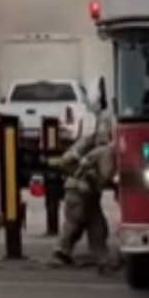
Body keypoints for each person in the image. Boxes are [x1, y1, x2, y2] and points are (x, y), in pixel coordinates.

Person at [50, 115, 116, 269]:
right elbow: (106, 176)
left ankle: (101, 257)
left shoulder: (90, 148)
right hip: (80, 192)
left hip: (86, 193)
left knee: (96, 226)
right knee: (74, 224)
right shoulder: (105, 151)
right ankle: (59, 253)